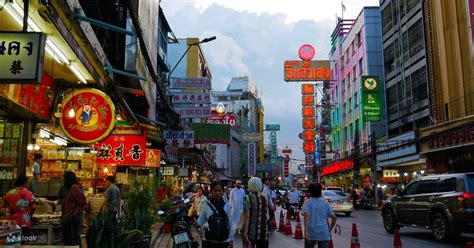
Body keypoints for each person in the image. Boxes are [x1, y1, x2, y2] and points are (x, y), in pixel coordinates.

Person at [197, 181, 233, 248]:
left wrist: (231, 239)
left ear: (223, 191)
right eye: (215, 190)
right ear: (211, 191)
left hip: (223, 241)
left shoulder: (227, 206)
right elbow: (201, 221)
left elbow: (230, 223)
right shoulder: (206, 205)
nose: (217, 193)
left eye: (220, 190)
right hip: (208, 242)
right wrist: (200, 229)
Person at [302, 183, 337, 248]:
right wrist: (329, 230)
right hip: (323, 232)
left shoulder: (307, 202)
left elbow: (306, 216)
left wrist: (305, 231)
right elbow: (334, 218)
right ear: (320, 191)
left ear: (310, 192)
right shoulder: (325, 203)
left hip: (311, 232)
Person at [242, 177, 269, 248]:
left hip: (251, 232)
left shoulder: (246, 198)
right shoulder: (264, 198)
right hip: (263, 233)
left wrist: (244, 233)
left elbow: (247, 216)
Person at [62, 171, 87, 247]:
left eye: (64, 178)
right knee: (75, 235)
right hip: (75, 214)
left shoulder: (74, 187)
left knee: (75, 236)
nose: (63, 179)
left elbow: (82, 200)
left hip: (74, 214)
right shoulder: (76, 186)